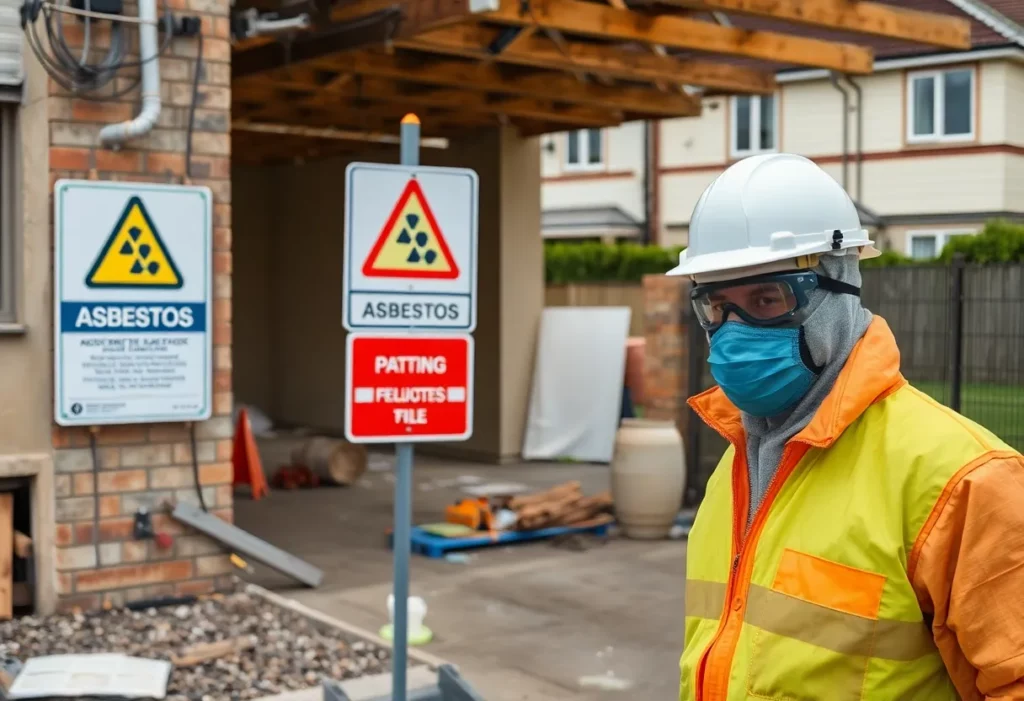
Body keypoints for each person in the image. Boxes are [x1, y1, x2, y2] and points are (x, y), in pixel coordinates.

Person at [669, 153, 1024, 701]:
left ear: (841, 288)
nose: (734, 332)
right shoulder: (739, 462)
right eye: (717, 305)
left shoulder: (962, 479)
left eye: (768, 298)